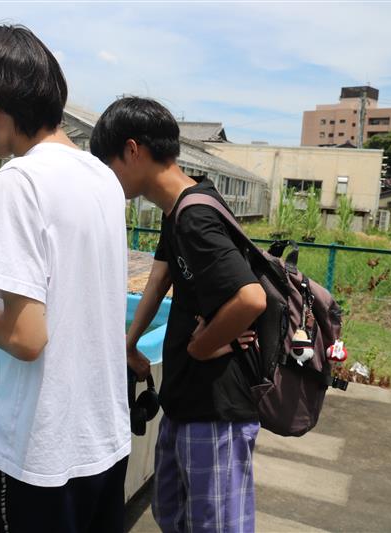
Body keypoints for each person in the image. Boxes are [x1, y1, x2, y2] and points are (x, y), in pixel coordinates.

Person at [0, 25, 131, 533]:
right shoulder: (101, 177)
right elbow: (67, 253)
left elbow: (26, 338)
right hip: (105, 441)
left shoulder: (18, 181)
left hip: (46, 454)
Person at [90, 96, 267, 533]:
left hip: (216, 406)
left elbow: (250, 298)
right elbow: (158, 281)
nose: (106, 178)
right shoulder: (179, 210)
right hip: (185, 402)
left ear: (132, 151)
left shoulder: (194, 217)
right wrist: (128, 344)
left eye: (107, 162)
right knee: (171, 513)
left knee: (214, 525)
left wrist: (202, 345)